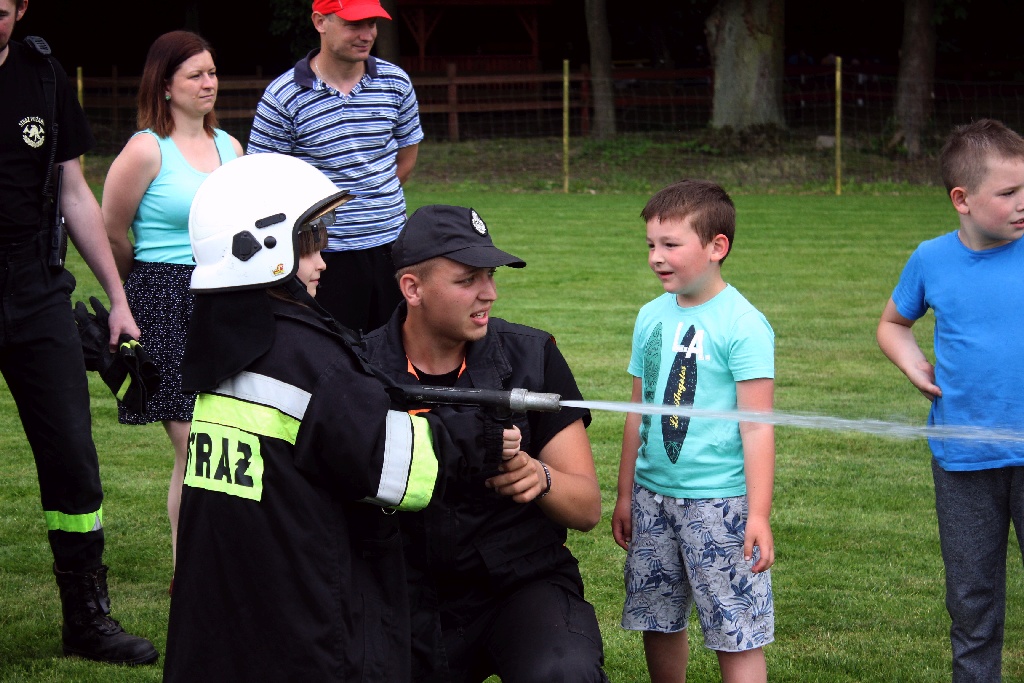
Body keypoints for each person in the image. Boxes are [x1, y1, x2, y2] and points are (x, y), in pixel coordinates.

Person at [164, 154, 516, 681]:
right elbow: (399, 474)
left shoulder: (223, 343)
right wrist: (480, 435)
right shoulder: (307, 358)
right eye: (312, 241)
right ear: (263, 247)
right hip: (303, 624)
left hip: (233, 612)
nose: (324, 259)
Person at [361, 204, 609, 683]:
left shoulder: (533, 356)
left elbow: (586, 509)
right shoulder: (360, 369)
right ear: (412, 288)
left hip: (517, 586)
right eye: (468, 279)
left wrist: (542, 477)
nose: (489, 293)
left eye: (490, 276)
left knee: (564, 672)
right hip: (399, 590)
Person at [0, 0, 158, 666]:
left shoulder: (44, 76)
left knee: (72, 455)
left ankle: (86, 618)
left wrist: (118, 298)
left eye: (1, 9)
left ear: (21, 8)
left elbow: (73, 190)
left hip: (36, 293)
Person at [876, 118, 1024, 683]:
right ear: (961, 199)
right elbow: (893, 323)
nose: (1020, 203)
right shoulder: (931, 259)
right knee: (972, 599)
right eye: (1007, 193)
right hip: (963, 460)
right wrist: (912, 361)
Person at [612, 180, 776, 683]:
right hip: (652, 497)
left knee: (735, 630)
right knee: (657, 620)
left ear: (716, 247)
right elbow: (637, 411)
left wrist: (759, 514)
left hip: (718, 504)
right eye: (651, 245)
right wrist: (625, 495)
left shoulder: (744, 325)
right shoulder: (649, 317)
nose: (656, 257)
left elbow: (757, 429)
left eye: (671, 245)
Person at [101, 30, 243, 576]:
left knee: (226, 441)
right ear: (165, 86)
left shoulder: (230, 146)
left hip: (224, 298)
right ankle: (191, 576)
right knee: (192, 447)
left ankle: (222, 562)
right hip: (161, 300)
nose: (208, 84)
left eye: (211, 72)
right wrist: (136, 291)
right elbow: (112, 231)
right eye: (195, 75)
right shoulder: (144, 150)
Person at [247, 0, 423, 334]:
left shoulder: (396, 83)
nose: (366, 34)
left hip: (391, 246)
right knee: (333, 355)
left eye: (371, 24)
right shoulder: (284, 95)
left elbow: (407, 156)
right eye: (353, 24)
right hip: (322, 254)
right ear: (320, 21)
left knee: (394, 351)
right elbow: (263, 177)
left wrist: (374, 203)